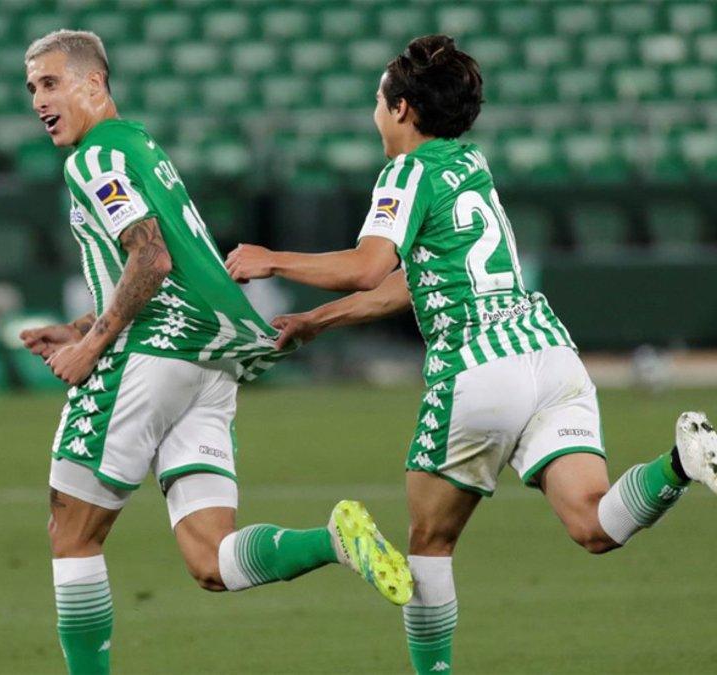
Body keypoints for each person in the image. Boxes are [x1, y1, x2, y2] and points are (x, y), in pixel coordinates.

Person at [225, 34, 717, 675]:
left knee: (429, 543)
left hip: (476, 366)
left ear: (401, 109)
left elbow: (367, 267)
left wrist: (272, 259)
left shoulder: (407, 172)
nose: (374, 114)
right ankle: (680, 463)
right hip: (549, 354)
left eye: (378, 101)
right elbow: (412, 281)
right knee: (594, 524)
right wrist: (318, 322)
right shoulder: (469, 163)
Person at [19, 29, 413, 675]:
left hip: (151, 357)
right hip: (209, 362)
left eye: (51, 83)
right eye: (33, 87)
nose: (39, 99)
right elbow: (172, 267)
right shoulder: (141, 146)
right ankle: (334, 541)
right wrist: (81, 323)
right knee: (210, 558)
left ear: (94, 84)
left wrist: (94, 343)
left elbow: (151, 257)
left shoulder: (94, 157)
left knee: (72, 534)